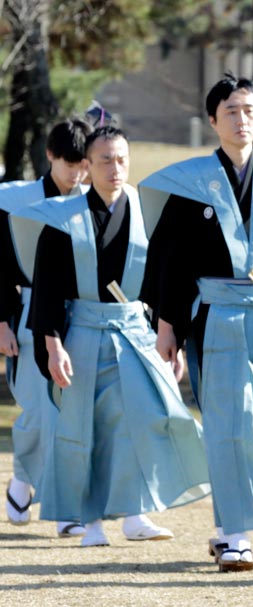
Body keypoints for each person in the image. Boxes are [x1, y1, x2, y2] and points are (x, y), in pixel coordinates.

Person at [140, 75, 253, 572]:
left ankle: (226, 527)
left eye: (250, 110)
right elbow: (168, 260)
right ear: (212, 120)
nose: (242, 119)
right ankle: (236, 535)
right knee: (227, 424)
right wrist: (167, 327)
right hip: (214, 317)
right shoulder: (188, 183)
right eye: (231, 111)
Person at [15, 126, 210, 547]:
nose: (115, 168)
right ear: (87, 165)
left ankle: (136, 514)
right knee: (87, 429)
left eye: (122, 159)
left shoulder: (146, 213)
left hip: (136, 332)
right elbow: (47, 288)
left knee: (142, 422)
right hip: (82, 333)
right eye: (104, 159)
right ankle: (92, 522)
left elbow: (164, 279)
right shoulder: (62, 218)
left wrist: (169, 333)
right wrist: (52, 346)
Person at [1, 119, 90, 534]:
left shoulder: (95, 201)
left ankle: (65, 509)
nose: (77, 174)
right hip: (28, 311)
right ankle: (22, 478)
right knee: (38, 413)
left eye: (83, 164)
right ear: (50, 156)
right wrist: (1, 321)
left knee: (71, 415)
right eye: (69, 163)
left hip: (84, 316)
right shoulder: (16, 200)